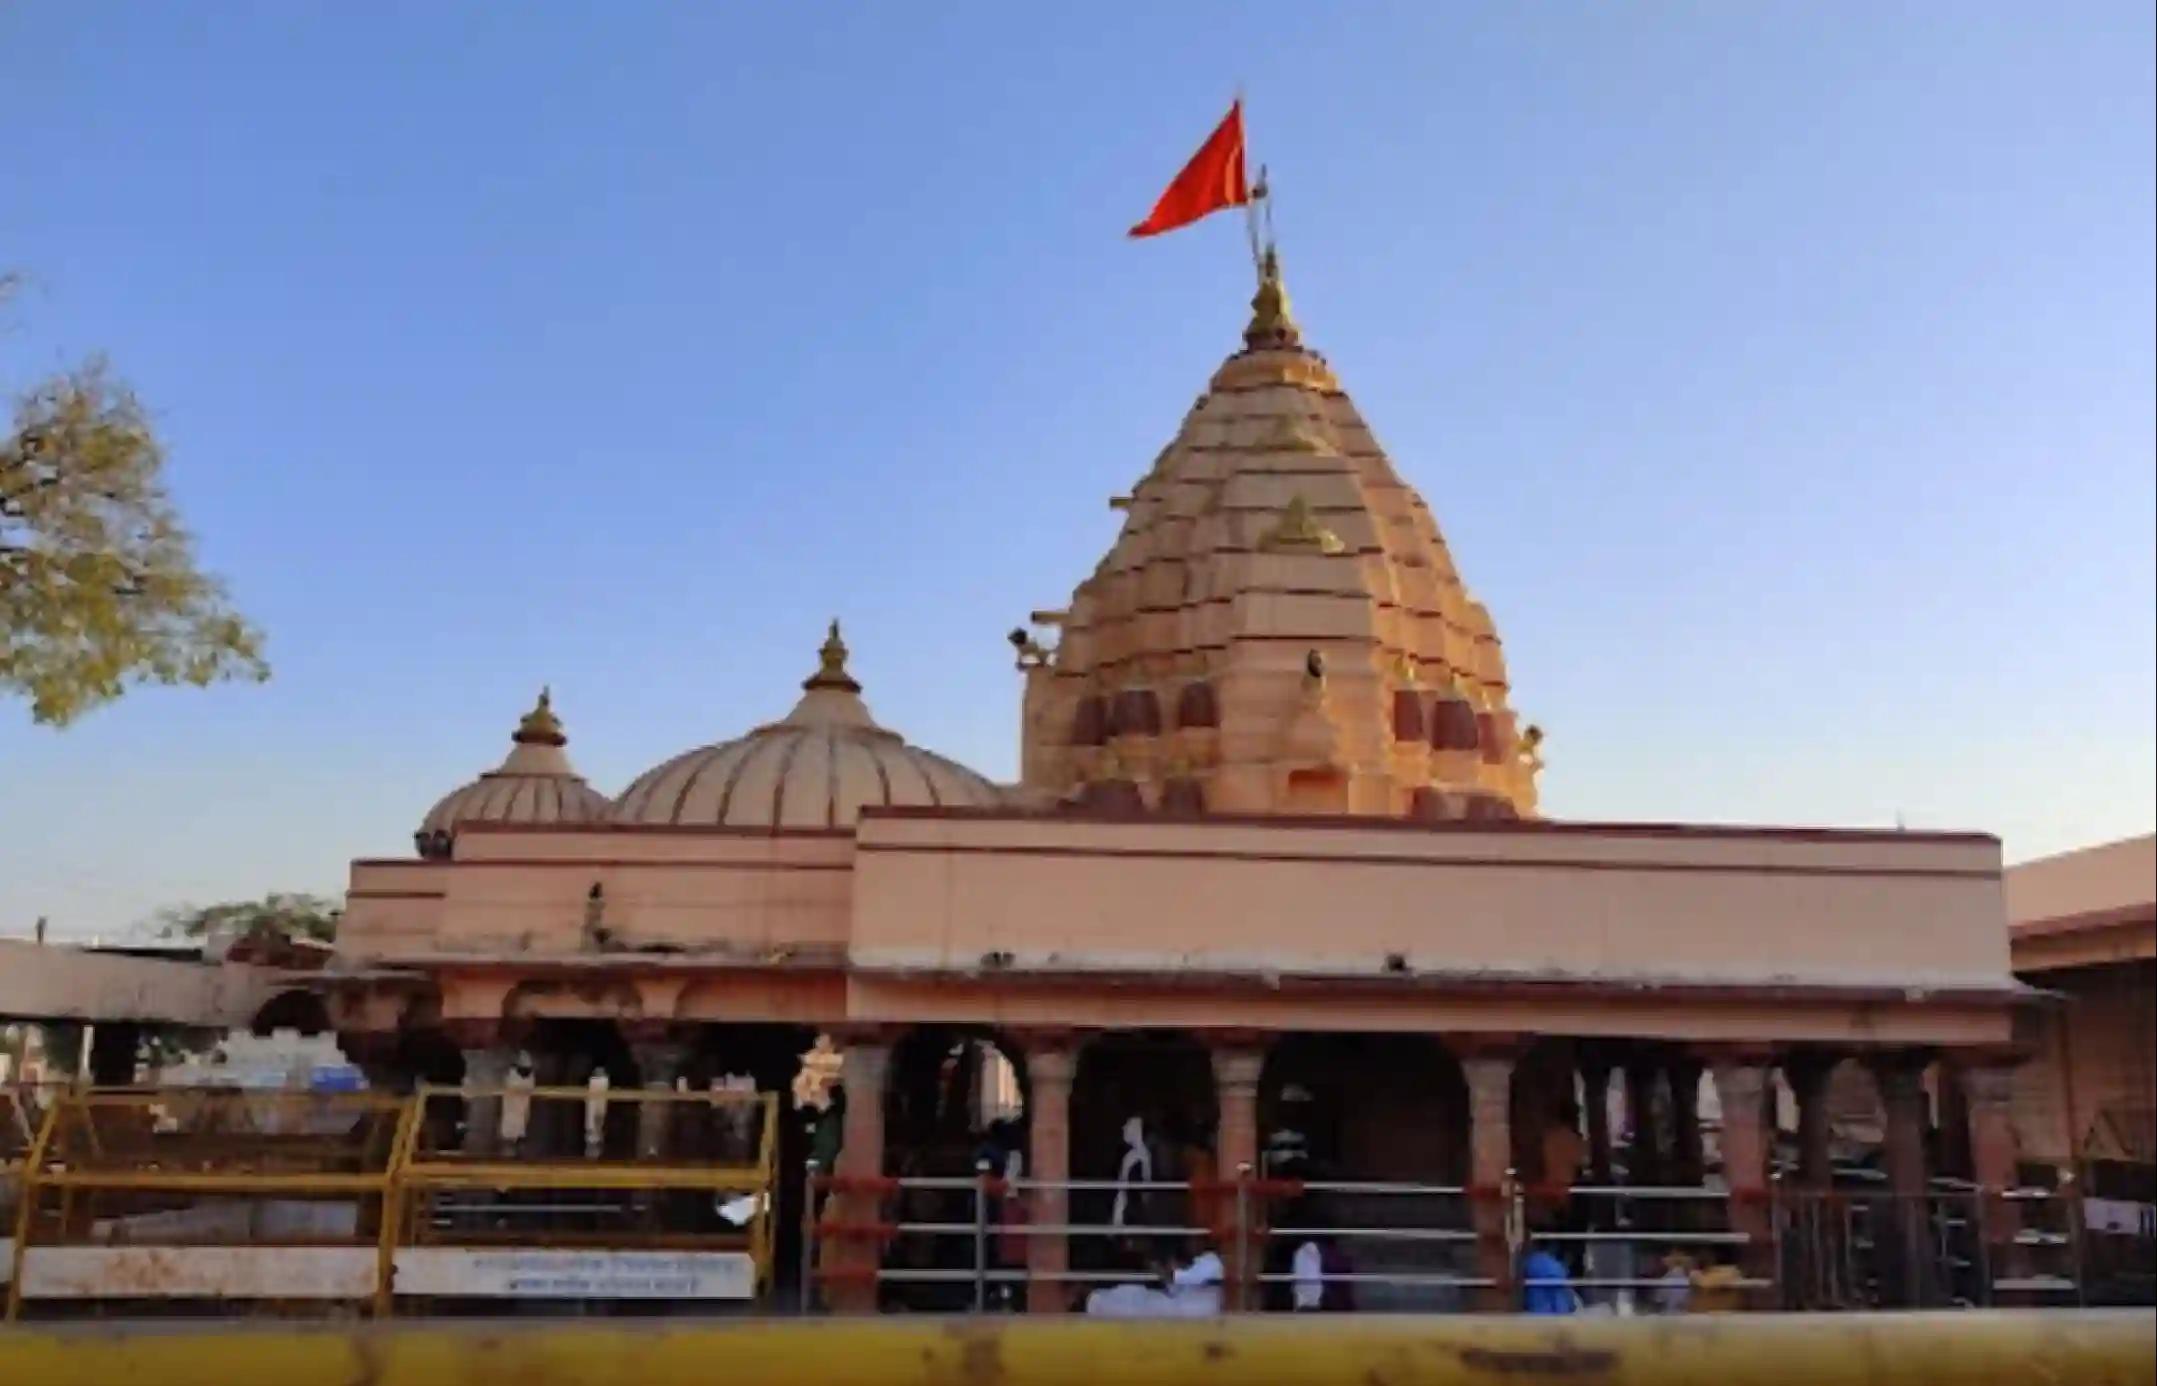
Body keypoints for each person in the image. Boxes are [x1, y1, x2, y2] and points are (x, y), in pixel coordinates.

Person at [1521, 1242, 1580, 1315]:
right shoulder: (1554, 1268)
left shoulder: (1531, 1262)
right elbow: (1562, 1304)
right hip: (1549, 1312)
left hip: (1538, 1311)